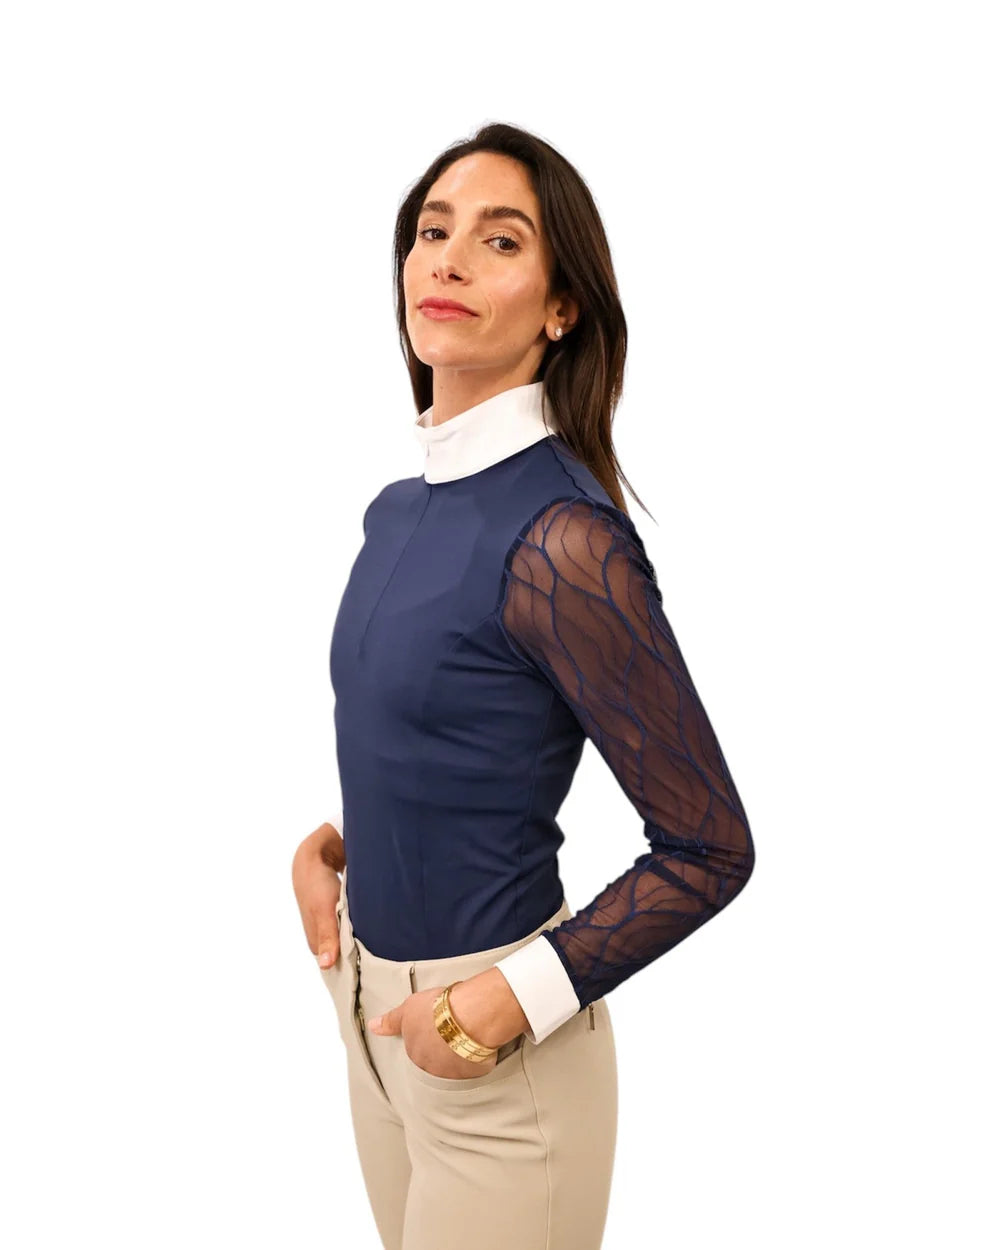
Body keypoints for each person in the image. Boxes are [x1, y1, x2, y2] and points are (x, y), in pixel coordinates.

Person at [291, 121, 755, 1250]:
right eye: (431, 230)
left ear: (561, 309)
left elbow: (710, 847)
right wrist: (343, 857)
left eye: (499, 241)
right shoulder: (398, 510)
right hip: (373, 1021)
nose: (447, 258)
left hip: (496, 1057)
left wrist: (505, 1002)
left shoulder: (564, 541)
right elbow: (455, 735)